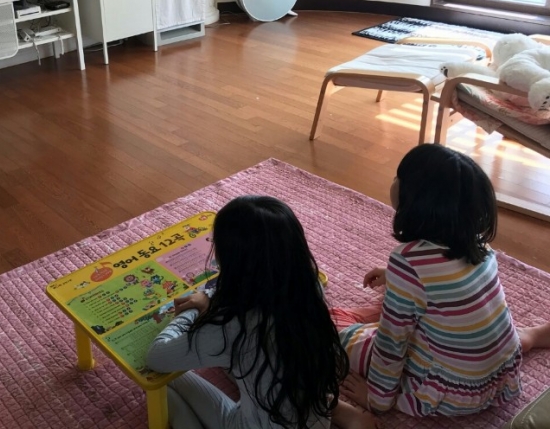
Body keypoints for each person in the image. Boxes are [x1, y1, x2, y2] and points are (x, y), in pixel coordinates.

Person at [336, 144, 550, 418]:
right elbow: (450, 283)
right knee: (472, 327)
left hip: (456, 392)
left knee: (344, 336)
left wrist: (377, 399)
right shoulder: (478, 244)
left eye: (397, 177)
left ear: (415, 200)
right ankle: (529, 336)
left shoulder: (407, 261)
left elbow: (391, 345)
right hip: (500, 375)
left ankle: (371, 330)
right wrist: (394, 278)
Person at [146, 195, 380, 429]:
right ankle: (339, 411)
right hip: (313, 416)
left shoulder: (230, 326)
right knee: (262, 363)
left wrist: (194, 308)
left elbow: (157, 357)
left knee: (162, 385)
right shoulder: (310, 287)